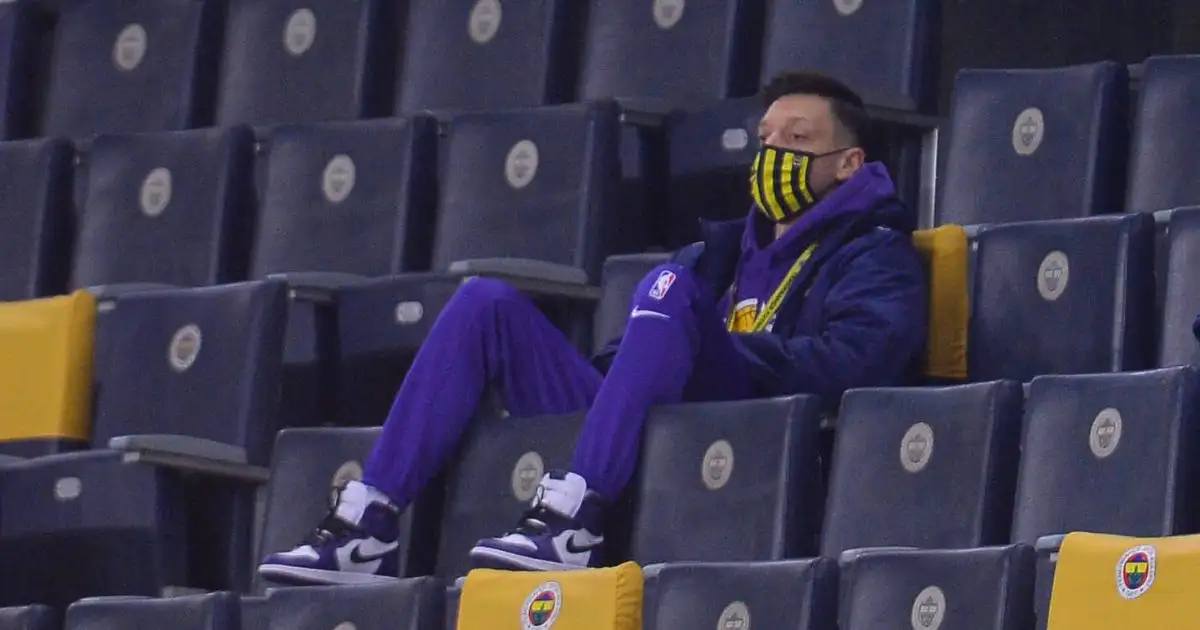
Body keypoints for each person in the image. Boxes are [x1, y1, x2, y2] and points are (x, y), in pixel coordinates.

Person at [257, 70, 929, 585]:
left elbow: (863, 361)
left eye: (798, 140)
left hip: (747, 429)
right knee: (483, 302)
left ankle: (572, 525)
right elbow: (631, 353)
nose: (774, 151)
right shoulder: (715, 256)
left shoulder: (874, 250)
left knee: (666, 288)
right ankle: (367, 527)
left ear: (850, 163)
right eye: (766, 141)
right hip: (647, 434)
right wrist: (629, 380)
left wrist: (722, 350)